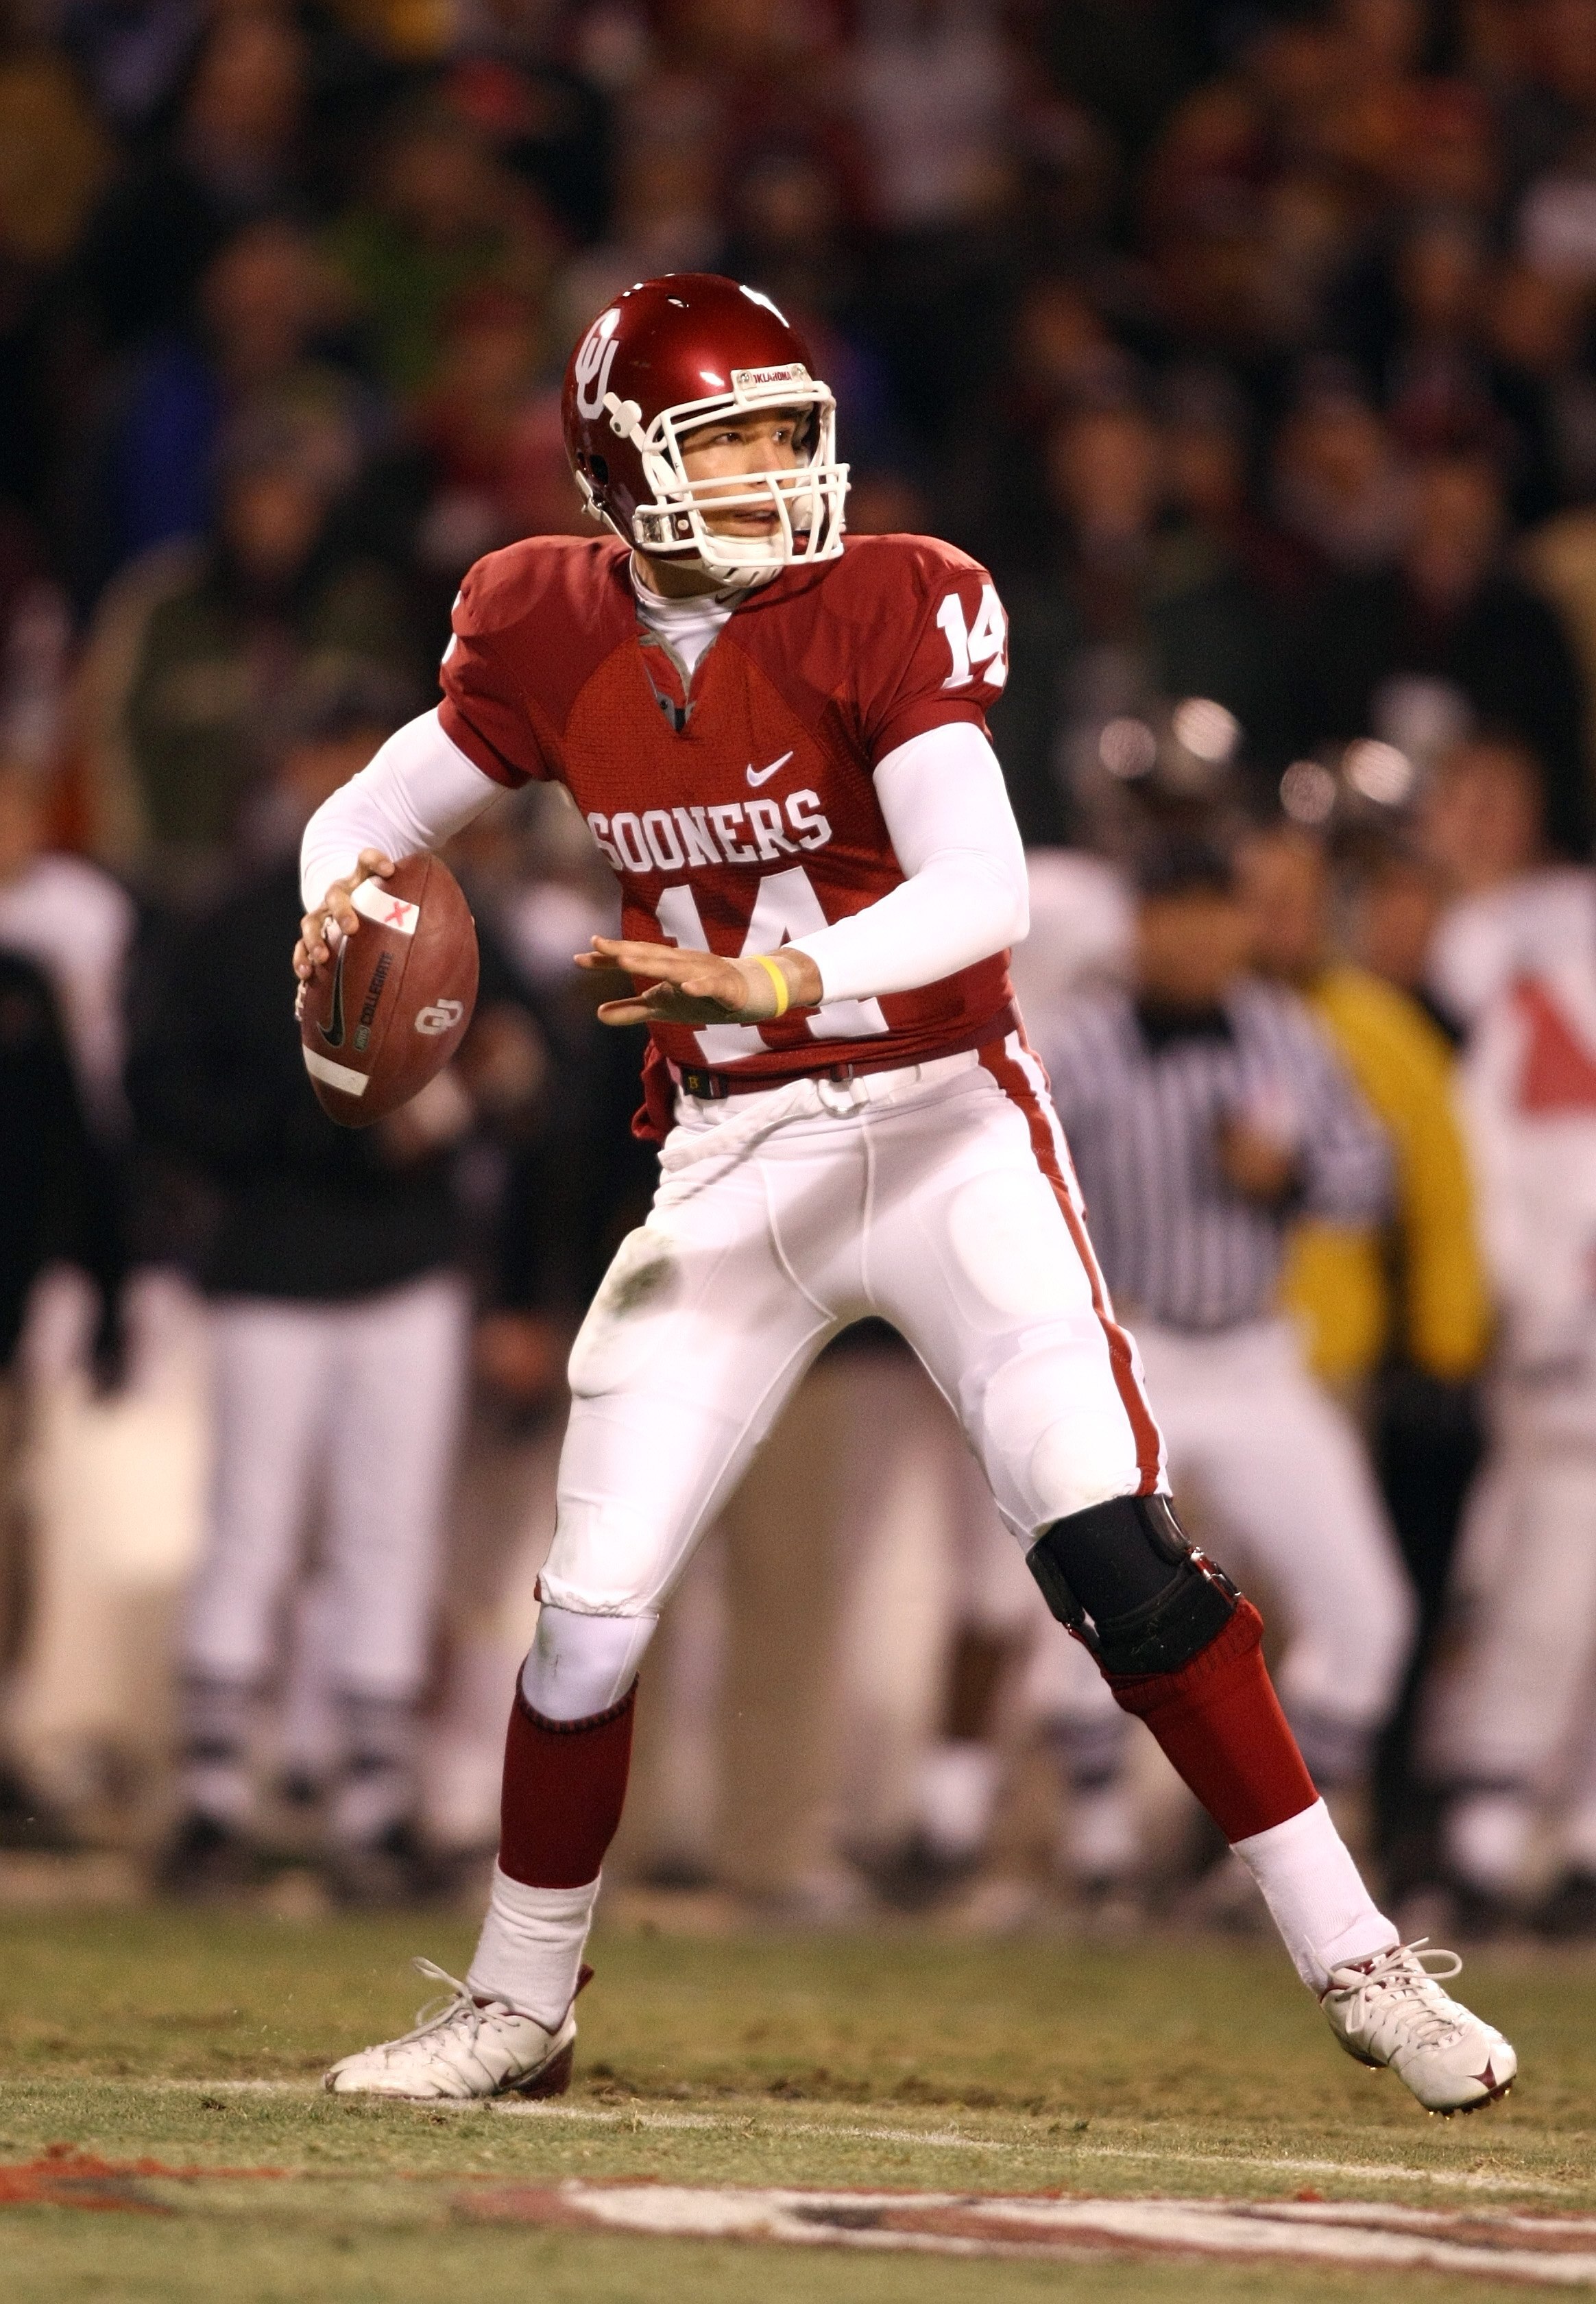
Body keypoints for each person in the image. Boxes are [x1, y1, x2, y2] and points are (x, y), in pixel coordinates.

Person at [293, 274, 1513, 2112]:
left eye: (795, 429)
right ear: (624, 469)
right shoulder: (541, 622)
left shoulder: (886, 602)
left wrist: (774, 976)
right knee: (588, 1609)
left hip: (940, 1120)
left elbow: (984, 885)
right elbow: (369, 818)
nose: (783, 471)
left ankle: (1360, 1957)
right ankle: (517, 2001)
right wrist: (339, 903)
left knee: (1111, 1543)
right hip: (731, 1154)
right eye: (736, 441)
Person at [130, 669, 473, 1904]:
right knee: (252, 1528)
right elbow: (163, 1095)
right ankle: (214, 1798)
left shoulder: (449, 912)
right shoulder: (230, 924)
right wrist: (329, 1114)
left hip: (404, 1266)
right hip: (272, 1263)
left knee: (389, 1533)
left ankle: (374, 1809)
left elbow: (525, 1076)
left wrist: (476, 1106)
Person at [1037, 837, 1414, 1813]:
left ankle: (1297, 1839)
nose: (1201, 935)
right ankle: (1097, 1842)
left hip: (1255, 1356)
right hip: (1131, 1351)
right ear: (1141, 923)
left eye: (1219, 909)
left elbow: (1371, 1179)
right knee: (1093, 1599)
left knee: (1369, 1611)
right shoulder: (1077, 1040)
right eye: (1178, 910)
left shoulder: (1284, 1031)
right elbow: (1008, 1176)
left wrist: (1286, 1178)